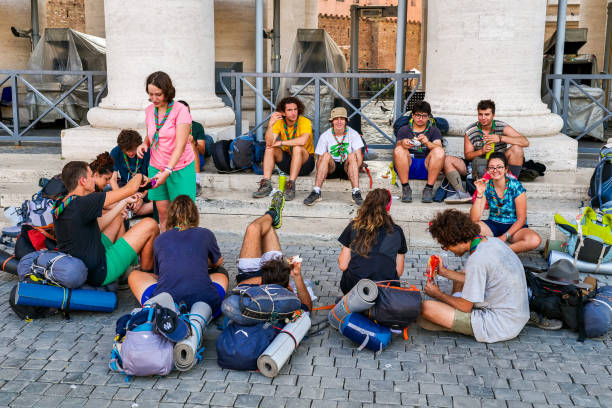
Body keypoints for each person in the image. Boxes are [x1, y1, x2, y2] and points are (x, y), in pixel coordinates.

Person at [419, 209, 529, 343]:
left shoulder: (477, 259)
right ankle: (451, 310)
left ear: (454, 240)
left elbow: (466, 307)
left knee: (426, 308)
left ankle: (452, 316)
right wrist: (444, 272)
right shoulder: (492, 242)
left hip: (499, 325)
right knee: (462, 275)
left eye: (445, 246)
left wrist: (438, 294)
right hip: (517, 315)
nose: (446, 249)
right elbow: (479, 279)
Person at [53, 161, 159, 287]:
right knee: (150, 224)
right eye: (91, 176)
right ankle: (145, 275)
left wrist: (123, 203)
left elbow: (99, 225)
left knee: (117, 218)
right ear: (83, 181)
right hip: (100, 271)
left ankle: (128, 267)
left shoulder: (63, 202)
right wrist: (140, 176)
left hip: (86, 264)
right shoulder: (85, 202)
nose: (94, 179)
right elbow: (130, 189)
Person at [128, 195, 229, 313]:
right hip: (207, 302)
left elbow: (159, 274)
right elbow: (218, 262)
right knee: (221, 272)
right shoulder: (206, 234)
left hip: (167, 301)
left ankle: (160, 308)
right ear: (195, 215)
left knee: (134, 274)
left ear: (171, 217)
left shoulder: (161, 239)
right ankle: (200, 313)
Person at [137, 71, 196, 232]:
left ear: (167, 92)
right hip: (156, 167)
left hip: (179, 168)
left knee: (183, 216)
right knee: (163, 214)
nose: (154, 98)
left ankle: (184, 249)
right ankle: (166, 249)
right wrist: (144, 143)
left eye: (158, 94)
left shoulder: (180, 110)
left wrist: (168, 170)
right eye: (150, 94)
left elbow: (181, 145)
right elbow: (154, 132)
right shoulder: (150, 110)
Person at [236, 191, 312, 311]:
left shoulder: (247, 299)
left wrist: (267, 281)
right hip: (274, 277)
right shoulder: (286, 305)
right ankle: (272, 217)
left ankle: (272, 214)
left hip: (253, 276)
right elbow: (307, 308)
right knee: (267, 228)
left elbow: (239, 287)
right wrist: (297, 276)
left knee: (254, 228)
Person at [443, 99, 530, 204]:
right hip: (478, 167)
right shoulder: (471, 130)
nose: (483, 118)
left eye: (487, 114)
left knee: (517, 149)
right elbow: (468, 156)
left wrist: (500, 138)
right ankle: (461, 193)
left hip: (500, 166)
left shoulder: (501, 126)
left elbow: (525, 142)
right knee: (447, 160)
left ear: (493, 115)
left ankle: (510, 187)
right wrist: (482, 151)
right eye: (480, 114)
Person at [337, 188, 407, 294]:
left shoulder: (354, 226)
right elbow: (399, 271)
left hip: (355, 287)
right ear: (388, 207)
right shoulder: (397, 231)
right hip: (386, 289)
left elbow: (343, 265)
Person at [470, 152, 541, 253]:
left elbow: (521, 219)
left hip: (514, 227)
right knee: (468, 229)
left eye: (499, 167)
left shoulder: (515, 185)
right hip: (493, 224)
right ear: (487, 170)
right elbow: (474, 218)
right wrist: (480, 193)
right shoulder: (486, 185)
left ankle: (503, 251)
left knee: (535, 240)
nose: (495, 170)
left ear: (506, 169)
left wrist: (504, 237)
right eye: (491, 167)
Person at [253, 96, 315, 201]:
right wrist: (270, 125)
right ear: (283, 112)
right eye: (289, 110)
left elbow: (302, 141)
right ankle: (266, 184)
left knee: (297, 147)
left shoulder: (304, 121)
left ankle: (290, 185)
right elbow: (269, 142)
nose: (293, 113)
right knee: (270, 148)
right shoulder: (280, 122)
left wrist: (281, 142)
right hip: (288, 162)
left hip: (306, 164)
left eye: (295, 109)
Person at [304, 107, 364, 206]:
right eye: (336, 119)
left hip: (347, 168)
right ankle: (316, 191)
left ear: (346, 121)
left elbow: (359, 157)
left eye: (342, 119)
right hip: (331, 169)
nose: (339, 122)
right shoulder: (325, 135)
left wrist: (354, 172)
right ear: (332, 121)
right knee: (326, 155)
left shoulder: (353, 134)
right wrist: (322, 172)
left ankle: (356, 192)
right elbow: (319, 161)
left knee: (352, 155)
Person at [393, 101, 446, 203]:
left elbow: (439, 148)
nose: (420, 119)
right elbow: (397, 149)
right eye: (417, 115)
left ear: (428, 117)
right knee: (399, 149)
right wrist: (403, 143)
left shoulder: (434, 130)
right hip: (407, 166)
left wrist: (427, 143)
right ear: (412, 116)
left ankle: (428, 189)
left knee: (439, 151)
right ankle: (406, 188)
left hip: (427, 167)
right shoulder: (404, 130)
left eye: (424, 116)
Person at [110, 130, 153, 216]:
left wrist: (141, 196)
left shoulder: (146, 151)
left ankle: (135, 209)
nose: (130, 153)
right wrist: (122, 198)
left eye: (133, 150)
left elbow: (153, 180)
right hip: (125, 187)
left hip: (145, 188)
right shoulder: (116, 152)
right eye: (126, 150)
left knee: (158, 196)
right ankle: (131, 209)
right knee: (107, 194)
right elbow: (113, 180)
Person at [177, 100, 205, 197]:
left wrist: (194, 142)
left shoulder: (197, 126)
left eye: (188, 112)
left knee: (191, 144)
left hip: (194, 157)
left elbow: (202, 150)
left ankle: (196, 182)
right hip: (177, 158)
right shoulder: (170, 126)